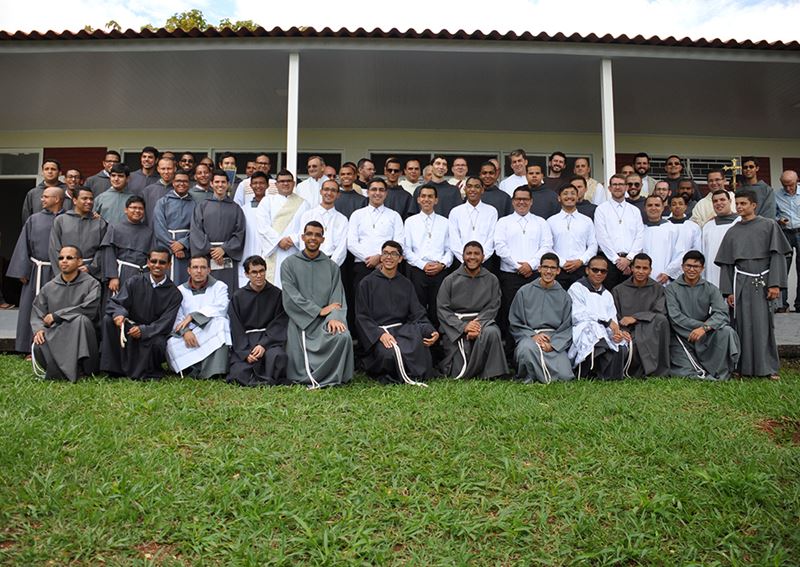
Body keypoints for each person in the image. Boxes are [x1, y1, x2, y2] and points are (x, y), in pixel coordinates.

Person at [715, 189, 790, 379]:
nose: (739, 207)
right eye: (737, 204)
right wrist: (728, 292)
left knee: (763, 325)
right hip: (740, 282)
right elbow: (726, 264)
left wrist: (775, 284)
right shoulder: (733, 231)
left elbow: (777, 256)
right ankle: (742, 367)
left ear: (753, 205)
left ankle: (767, 367)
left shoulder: (769, 225)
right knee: (741, 325)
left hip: (764, 282)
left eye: (743, 203)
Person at [281, 221, 354, 388]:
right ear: (303, 237)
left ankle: (333, 376)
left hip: (326, 321)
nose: (313, 238)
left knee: (343, 336)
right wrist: (318, 311)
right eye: (309, 234)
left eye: (317, 235)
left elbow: (337, 298)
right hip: (301, 321)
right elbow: (291, 296)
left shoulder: (332, 266)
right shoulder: (289, 264)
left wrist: (334, 318)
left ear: (323, 239)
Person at [356, 240, 439, 386]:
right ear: (381, 257)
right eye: (385, 253)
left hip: (403, 331)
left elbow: (418, 313)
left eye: (394, 254)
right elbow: (362, 316)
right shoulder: (367, 283)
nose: (389, 257)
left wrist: (431, 331)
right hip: (379, 334)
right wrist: (379, 334)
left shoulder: (406, 283)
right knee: (388, 355)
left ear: (400, 259)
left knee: (420, 344)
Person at [100, 248, 183, 379]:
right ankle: (114, 369)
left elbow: (166, 322)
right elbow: (116, 303)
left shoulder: (174, 294)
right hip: (130, 326)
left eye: (162, 262)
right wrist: (119, 314)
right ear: (148, 263)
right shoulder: (134, 281)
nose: (157, 265)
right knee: (108, 320)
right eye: (153, 261)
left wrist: (143, 331)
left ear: (169, 265)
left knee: (158, 343)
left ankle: (146, 370)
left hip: (152, 332)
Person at [436, 241, 508, 379]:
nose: (472, 257)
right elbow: (442, 309)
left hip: (482, 322)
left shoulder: (492, 279)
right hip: (456, 326)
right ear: (462, 256)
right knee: (457, 370)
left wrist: (477, 325)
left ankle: (491, 374)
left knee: (492, 332)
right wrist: (464, 327)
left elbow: (493, 305)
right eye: (469, 253)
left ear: (483, 257)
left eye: (476, 253)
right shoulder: (450, 280)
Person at [494, 186, 553, 352]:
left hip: (534, 275)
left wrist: (530, 265)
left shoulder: (541, 222)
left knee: (533, 314)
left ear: (531, 201)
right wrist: (517, 266)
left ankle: (533, 350)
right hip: (510, 275)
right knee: (510, 313)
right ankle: (510, 353)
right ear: (513, 202)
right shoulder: (503, 222)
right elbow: (499, 246)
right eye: (518, 199)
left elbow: (547, 246)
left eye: (525, 199)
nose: (522, 202)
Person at [30, 245, 101, 382]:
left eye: (69, 258)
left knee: (80, 320)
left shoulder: (92, 284)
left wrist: (57, 316)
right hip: (56, 333)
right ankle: (60, 371)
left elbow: (89, 308)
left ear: (79, 261)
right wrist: (39, 329)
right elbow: (37, 311)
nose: (64, 261)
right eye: (61, 258)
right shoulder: (49, 287)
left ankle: (81, 368)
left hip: (81, 333)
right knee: (40, 341)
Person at [666, 251, 740, 380]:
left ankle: (722, 369)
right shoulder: (671, 289)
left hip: (705, 335)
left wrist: (704, 329)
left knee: (727, 331)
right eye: (688, 266)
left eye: (696, 266)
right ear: (682, 267)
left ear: (702, 268)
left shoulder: (710, 288)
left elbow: (722, 313)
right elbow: (675, 317)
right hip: (681, 336)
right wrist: (702, 327)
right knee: (685, 372)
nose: (691, 269)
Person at [8, 187, 65, 354]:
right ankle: (28, 347)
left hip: (59, 271)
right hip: (37, 271)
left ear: (57, 199)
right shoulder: (34, 219)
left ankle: (54, 348)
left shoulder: (68, 219)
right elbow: (23, 244)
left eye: (46, 197)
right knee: (30, 307)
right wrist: (22, 270)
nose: (42, 200)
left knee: (56, 307)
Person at [509, 252, 574, 384]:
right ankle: (535, 376)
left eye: (552, 268)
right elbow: (515, 321)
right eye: (545, 267)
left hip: (553, 340)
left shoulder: (564, 297)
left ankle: (538, 375)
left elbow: (567, 327)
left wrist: (553, 345)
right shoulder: (524, 291)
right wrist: (532, 335)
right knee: (526, 350)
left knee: (565, 376)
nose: (548, 271)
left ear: (558, 271)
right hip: (529, 337)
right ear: (539, 269)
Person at [227, 255, 289, 387]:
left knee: (278, 357)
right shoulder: (238, 296)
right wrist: (245, 353)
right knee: (238, 371)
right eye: (254, 272)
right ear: (246, 274)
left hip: (269, 340)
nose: (259, 275)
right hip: (246, 341)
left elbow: (280, 323)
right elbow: (236, 328)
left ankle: (265, 378)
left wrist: (263, 344)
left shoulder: (277, 294)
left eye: (262, 271)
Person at [166, 255, 231, 379]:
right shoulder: (180, 290)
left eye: (203, 267)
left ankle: (214, 371)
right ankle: (192, 369)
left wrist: (193, 316)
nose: (199, 271)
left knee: (221, 323)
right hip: (188, 332)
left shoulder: (219, 286)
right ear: (189, 270)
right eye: (195, 267)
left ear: (209, 270)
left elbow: (221, 308)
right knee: (171, 344)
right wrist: (185, 332)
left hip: (210, 328)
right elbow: (177, 316)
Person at [568, 255, 630, 379]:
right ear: (587, 270)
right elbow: (577, 315)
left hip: (605, 331)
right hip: (583, 328)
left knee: (620, 343)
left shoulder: (607, 294)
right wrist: (605, 321)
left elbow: (613, 321)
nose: (599, 273)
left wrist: (616, 334)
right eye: (595, 270)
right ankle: (589, 373)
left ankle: (608, 375)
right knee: (594, 333)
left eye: (603, 271)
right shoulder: (577, 288)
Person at [611, 253, 671, 377]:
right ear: (631, 268)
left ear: (650, 270)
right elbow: (615, 316)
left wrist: (635, 318)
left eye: (645, 268)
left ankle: (657, 369)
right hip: (627, 331)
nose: (641, 271)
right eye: (638, 267)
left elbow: (660, 312)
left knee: (661, 320)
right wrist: (621, 331)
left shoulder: (658, 289)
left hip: (649, 329)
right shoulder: (618, 290)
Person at [190, 169, 246, 294]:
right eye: (217, 182)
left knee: (227, 291)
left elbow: (240, 233)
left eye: (223, 182)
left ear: (228, 184)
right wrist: (212, 251)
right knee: (206, 290)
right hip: (206, 256)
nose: (220, 185)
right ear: (211, 184)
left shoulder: (236, 208)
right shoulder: (202, 206)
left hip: (227, 256)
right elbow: (196, 231)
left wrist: (224, 249)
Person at [404, 184, 452, 328]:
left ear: (436, 200)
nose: (427, 199)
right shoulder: (410, 222)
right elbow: (406, 250)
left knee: (438, 307)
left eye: (430, 196)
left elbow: (450, 249)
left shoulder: (445, 222)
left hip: (440, 270)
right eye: (423, 196)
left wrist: (442, 264)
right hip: (418, 270)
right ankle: (420, 336)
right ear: (418, 199)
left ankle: (436, 338)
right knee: (417, 307)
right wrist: (423, 265)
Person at [347, 178, 404, 294]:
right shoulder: (357, 215)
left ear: (386, 193)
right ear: (368, 192)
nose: (377, 193)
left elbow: (399, 243)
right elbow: (351, 243)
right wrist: (369, 259)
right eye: (374, 189)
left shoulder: (394, 216)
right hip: (362, 265)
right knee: (362, 300)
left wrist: (380, 257)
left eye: (381, 190)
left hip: (387, 266)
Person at [257, 169, 311, 289]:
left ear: (294, 183)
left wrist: (292, 239)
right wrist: (279, 240)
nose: (285, 184)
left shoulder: (304, 204)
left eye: (288, 181)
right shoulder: (267, 201)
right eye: (282, 181)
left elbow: (307, 229)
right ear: (276, 184)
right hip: (274, 250)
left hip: (294, 250)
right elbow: (263, 226)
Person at [594, 174, 644, 289]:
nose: (617, 187)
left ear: (626, 187)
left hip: (631, 262)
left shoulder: (634, 211)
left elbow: (640, 236)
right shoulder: (601, 209)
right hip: (609, 261)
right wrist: (616, 260)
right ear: (609, 188)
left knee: (630, 295)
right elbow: (602, 237)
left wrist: (629, 259)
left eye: (621, 184)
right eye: (614, 184)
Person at [99, 195, 155, 296]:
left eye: (140, 208)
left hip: (141, 274)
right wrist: (113, 277)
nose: (137, 211)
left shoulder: (148, 232)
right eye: (133, 207)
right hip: (121, 273)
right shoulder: (115, 228)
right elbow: (109, 254)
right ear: (126, 210)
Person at [49, 187, 107, 279]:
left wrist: (91, 268)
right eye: (84, 198)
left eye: (91, 199)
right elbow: (54, 248)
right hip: (65, 273)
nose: (89, 202)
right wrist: (64, 272)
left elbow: (103, 249)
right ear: (75, 200)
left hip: (91, 274)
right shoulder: (61, 220)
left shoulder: (100, 223)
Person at [548, 182, 597, 289]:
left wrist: (581, 261)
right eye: (565, 193)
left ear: (577, 197)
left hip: (581, 269)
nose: (569, 196)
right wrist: (562, 262)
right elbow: (547, 246)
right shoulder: (551, 221)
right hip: (558, 270)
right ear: (559, 198)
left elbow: (593, 245)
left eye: (573, 193)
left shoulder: (587, 221)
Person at [153, 169, 195, 285]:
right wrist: (174, 246)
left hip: (186, 250)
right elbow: (159, 226)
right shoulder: (162, 202)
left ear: (189, 183)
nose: (181, 184)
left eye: (185, 181)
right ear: (173, 183)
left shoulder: (194, 204)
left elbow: (197, 228)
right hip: (166, 248)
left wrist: (183, 244)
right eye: (178, 181)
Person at [448, 176, 498, 267]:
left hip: (485, 262)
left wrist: (480, 258)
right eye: (469, 186)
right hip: (461, 262)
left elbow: (492, 238)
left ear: (482, 190)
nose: (472, 189)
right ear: (465, 189)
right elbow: (454, 240)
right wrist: (465, 259)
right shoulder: (455, 212)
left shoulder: (491, 211)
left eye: (477, 187)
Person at [298, 179, 349, 266]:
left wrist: (330, 265)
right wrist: (307, 260)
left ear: (338, 195)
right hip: (309, 262)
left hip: (332, 263)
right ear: (321, 192)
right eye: (326, 189)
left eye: (333, 190)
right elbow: (302, 240)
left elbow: (342, 246)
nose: (329, 193)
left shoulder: (342, 219)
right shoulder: (308, 215)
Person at [701, 190, 739, 288]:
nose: (718, 203)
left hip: (734, 272)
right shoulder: (708, 226)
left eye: (722, 200)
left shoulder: (739, 222)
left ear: (730, 201)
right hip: (711, 273)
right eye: (715, 201)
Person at [775, 170, 800, 312]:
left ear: (797, 181)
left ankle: (799, 304)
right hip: (785, 233)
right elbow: (772, 214)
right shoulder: (776, 195)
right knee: (783, 268)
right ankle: (782, 305)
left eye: (790, 185)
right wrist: (779, 220)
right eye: (785, 185)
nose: (788, 188)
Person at [642, 195, 682, 284]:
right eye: (650, 205)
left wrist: (668, 273)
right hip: (643, 279)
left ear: (663, 207)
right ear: (645, 208)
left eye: (657, 205)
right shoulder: (641, 230)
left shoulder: (673, 229)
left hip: (665, 279)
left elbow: (680, 253)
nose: (653, 208)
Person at [141, 156, 176, 226]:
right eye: (163, 169)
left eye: (169, 169)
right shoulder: (148, 191)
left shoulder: (180, 190)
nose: (166, 172)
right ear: (158, 169)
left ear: (175, 169)